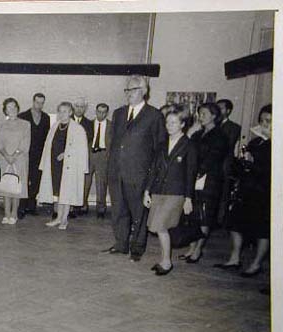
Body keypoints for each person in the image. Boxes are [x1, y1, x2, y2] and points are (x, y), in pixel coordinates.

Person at [104, 75, 167, 262]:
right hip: (116, 172)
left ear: (144, 91)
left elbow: (159, 149)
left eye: (132, 90)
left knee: (139, 212)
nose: (128, 94)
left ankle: (137, 247)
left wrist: (151, 178)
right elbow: (114, 143)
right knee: (118, 210)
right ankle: (121, 244)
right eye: (127, 90)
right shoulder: (119, 113)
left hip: (139, 174)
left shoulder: (154, 116)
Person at [216, 104, 271, 277]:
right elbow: (243, 168)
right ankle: (234, 258)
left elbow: (269, 172)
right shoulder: (255, 142)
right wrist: (242, 161)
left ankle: (256, 264)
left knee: (261, 230)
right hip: (247, 190)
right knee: (235, 224)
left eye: (268, 121)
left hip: (264, 192)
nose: (264, 124)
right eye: (262, 120)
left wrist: (252, 163)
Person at [143, 105, 198, 275]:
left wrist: (188, 198)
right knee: (159, 227)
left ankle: (167, 262)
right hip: (159, 190)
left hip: (176, 193)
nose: (169, 126)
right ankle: (164, 259)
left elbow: (190, 174)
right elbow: (153, 169)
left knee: (160, 225)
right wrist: (147, 191)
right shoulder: (162, 144)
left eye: (173, 123)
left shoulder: (189, 145)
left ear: (182, 124)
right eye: (167, 122)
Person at [182, 103, 228, 263]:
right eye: (199, 114)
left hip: (209, 180)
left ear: (214, 116)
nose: (200, 117)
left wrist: (197, 172)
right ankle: (191, 247)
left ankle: (198, 249)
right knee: (193, 216)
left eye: (204, 114)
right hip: (194, 178)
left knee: (204, 216)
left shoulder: (220, 136)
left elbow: (213, 158)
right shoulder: (197, 134)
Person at [37, 102, 88, 230]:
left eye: (65, 111)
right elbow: (47, 145)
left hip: (69, 165)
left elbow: (81, 149)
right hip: (55, 164)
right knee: (58, 192)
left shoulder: (78, 129)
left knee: (67, 192)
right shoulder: (55, 126)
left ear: (70, 112)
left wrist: (66, 154)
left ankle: (64, 219)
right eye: (60, 111)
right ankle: (58, 217)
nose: (62, 114)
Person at [0, 97, 31, 225]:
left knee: (16, 187)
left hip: (19, 159)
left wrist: (14, 156)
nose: (12, 109)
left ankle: (14, 214)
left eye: (14, 106)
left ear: (18, 108)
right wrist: (7, 156)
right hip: (4, 159)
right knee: (6, 186)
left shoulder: (26, 124)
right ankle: (6, 214)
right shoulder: (0, 126)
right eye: (9, 107)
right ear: (5, 110)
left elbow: (25, 143)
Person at [17, 93, 51, 219]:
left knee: (36, 180)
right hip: (25, 153)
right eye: (37, 102)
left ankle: (31, 206)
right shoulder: (23, 116)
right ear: (33, 101)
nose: (39, 105)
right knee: (24, 180)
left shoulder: (46, 117)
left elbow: (47, 137)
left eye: (42, 103)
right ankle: (21, 207)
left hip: (40, 154)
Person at [82, 103, 112, 218]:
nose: (101, 114)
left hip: (103, 155)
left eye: (104, 112)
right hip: (90, 154)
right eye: (99, 112)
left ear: (107, 113)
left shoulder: (111, 125)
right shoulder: (89, 124)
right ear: (96, 111)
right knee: (85, 181)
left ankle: (101, 208)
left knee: (101, 183)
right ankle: (83, 205)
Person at [217, 98, 242, 223]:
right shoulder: (212, 125)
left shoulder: (234, 127)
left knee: (223, 193)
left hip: (224, 165)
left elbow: (228, 144)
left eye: (221, 108)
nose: (218, 111)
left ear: (228, 111)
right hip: (211, 166)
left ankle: (220, 221)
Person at [71, 96, 94, 217]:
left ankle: (78, 206)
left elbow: (89, 140)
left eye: (82, 107)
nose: (79, 109)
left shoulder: (89, 123)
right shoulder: (66, 120)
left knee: (80, 182)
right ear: (73, 107)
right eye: (77, 106)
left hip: (80, 157)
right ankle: (68, 207)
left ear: (85, 109)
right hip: (68, 158)